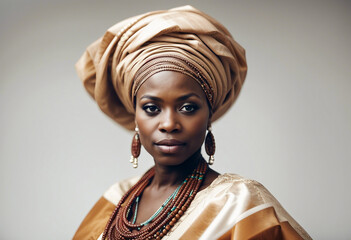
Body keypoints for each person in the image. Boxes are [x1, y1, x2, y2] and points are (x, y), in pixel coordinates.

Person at [73, 5, 312, 240]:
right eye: (151, 108)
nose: (169, 124)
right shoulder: (117, 199)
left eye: (188, 107)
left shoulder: (239, 203)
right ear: (135, 115)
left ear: (209, 114)